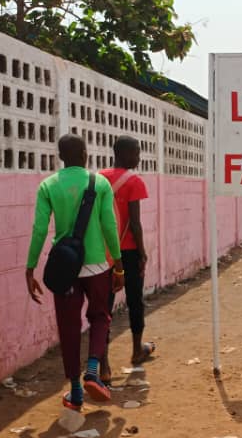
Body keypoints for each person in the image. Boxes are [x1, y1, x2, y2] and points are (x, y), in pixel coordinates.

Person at [26, 134, 121, 411]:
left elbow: (40, 229)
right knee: (100, 315)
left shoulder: (48, 186)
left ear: (61, 157)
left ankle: (76, 391)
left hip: (65, 268)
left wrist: (30, 267)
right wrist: (118, 264)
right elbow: (109, 225)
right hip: (96, 266)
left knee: (68, 328)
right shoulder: (99, 183)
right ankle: (93, 368)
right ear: (84, 154)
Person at [100, 136, 155, 382]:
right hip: (129, 253)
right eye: (136, 153)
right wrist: (142, 253)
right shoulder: (134, 181)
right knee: (135, 301)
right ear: (123, 153)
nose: (139, 158)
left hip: (103, 254)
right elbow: (135, 223)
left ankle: (104, 366)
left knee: (103, 309)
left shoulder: (98, 178)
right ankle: (136, 350)